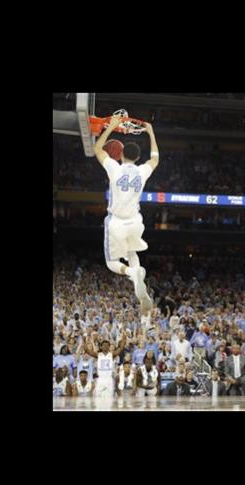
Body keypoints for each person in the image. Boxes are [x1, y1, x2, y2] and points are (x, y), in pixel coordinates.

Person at [93, 115, 160, 327]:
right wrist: (150, 132)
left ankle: (132, 273)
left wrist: (111, 127)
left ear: (121, 155)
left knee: (112, 263)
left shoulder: (115, 168)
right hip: (135, 221)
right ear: (138, 157)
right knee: (132, 253)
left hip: (116, 221)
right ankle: (138, 282)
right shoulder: (142, 172)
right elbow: (156, 158)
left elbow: (97, 150)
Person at [83, 331, 128, 398]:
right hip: (100, 379)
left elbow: (121, 348)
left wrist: (124, 338)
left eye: (107, 345)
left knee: (109, 398)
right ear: (101, 347)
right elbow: (87, 350)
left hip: (109, 379)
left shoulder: (112, 355)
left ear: (109, 347)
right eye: (104, 345)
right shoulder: (98, 355)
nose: (106, 347)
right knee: (98, 398)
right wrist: (84, 340)